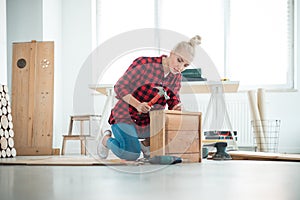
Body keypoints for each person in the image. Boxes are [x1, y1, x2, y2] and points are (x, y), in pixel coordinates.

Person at [97, 35, 201, 161]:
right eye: (179, 60)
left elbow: (173, 100)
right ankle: (106, 140)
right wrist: (138, 105)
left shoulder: (176, 77)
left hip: (148, 123)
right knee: (131, 155)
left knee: (171, 127)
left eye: (185, 65)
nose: (180, 68)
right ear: (172, 53)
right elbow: (119, 87)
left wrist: (178, 107)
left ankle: (145, 145)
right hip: (125, 118)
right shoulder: (144, 63)